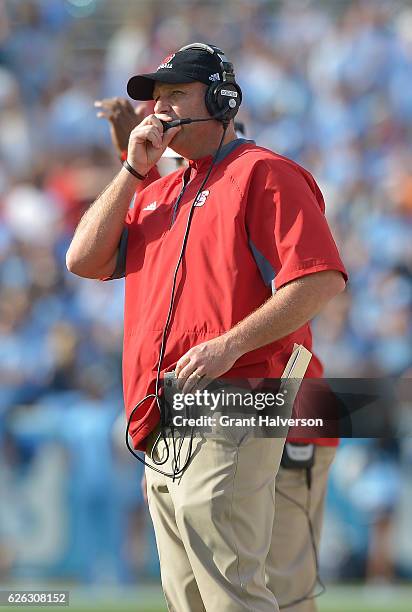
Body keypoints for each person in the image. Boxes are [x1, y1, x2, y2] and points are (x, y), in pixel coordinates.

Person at [67, 43, 347, 612]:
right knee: (189, 596)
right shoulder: (161, 190)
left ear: (220, 100)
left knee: (236, 593)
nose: (159, 111)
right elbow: (81, 258)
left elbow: (319, 280)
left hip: (238, 398)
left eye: (175, 95)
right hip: (162, 410)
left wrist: (229, 345)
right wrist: (131, 166)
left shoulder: (264, 171)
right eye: (155, 99)